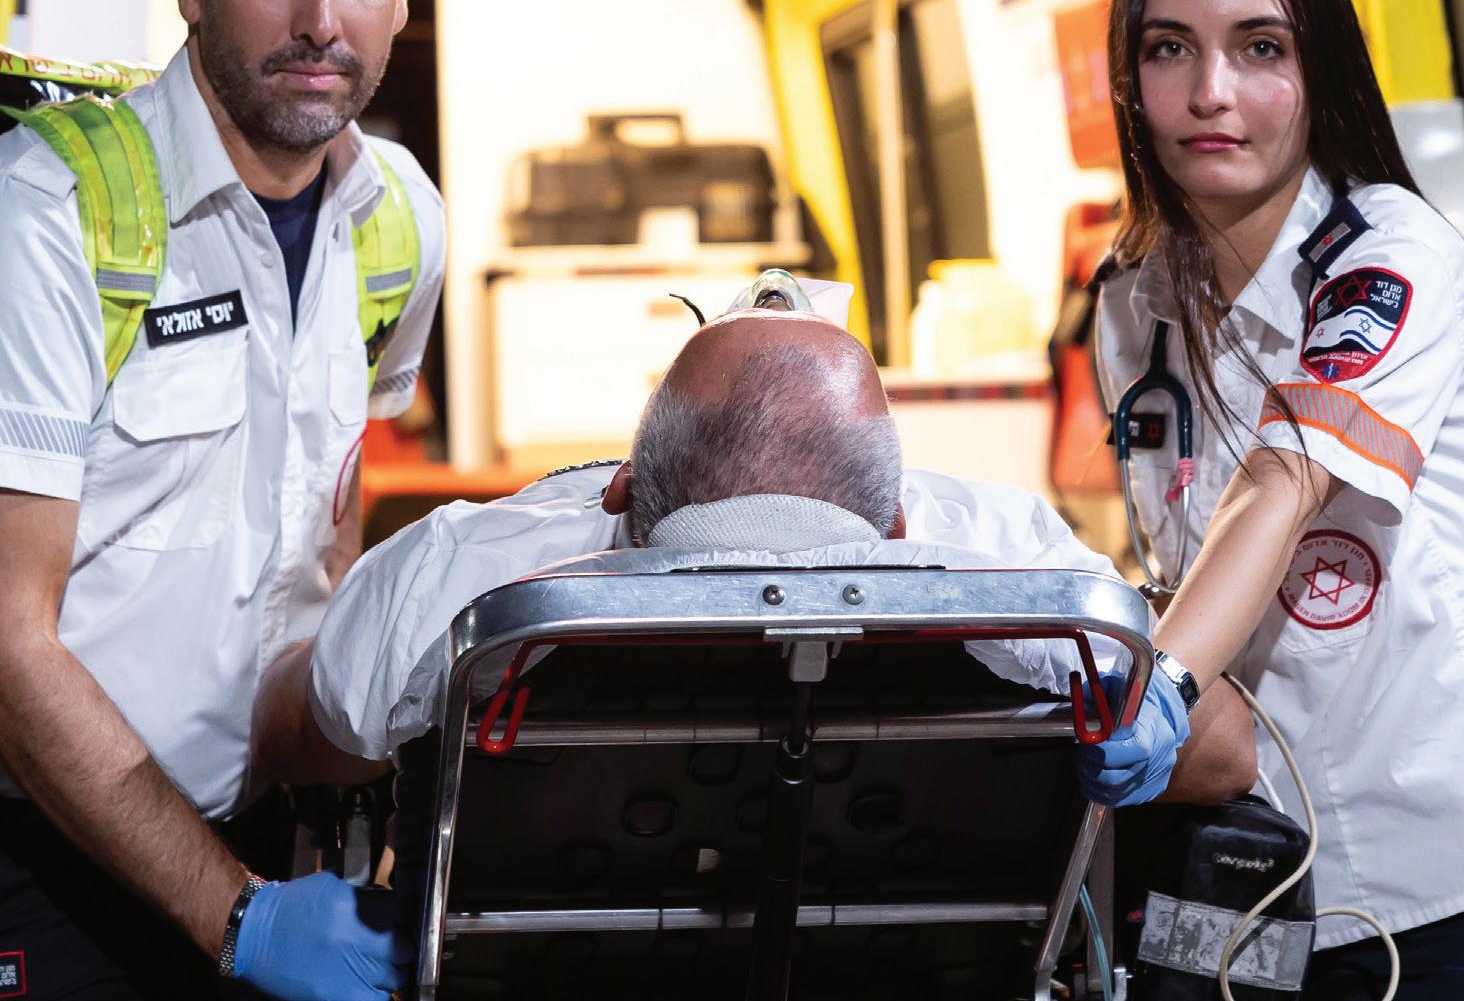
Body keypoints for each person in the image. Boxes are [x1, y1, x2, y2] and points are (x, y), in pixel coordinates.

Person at [0, 0, 445, 1001]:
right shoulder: (50, 215)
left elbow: (327, 511)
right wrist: (237, 914)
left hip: (260, 848)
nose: (321, 19)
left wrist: (321, 820)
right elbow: (9, 642)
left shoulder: (399, 221)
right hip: (45, 866)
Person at [254, 308, 1257, 798]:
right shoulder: (1009, 562)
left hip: (545, 993)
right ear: (896, 521)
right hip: (915, 985)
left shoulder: (473, 574)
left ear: (622, 491)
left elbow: (306, 731)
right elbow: (1221, 751)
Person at [1080, 0, 1464, 1001]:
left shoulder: (1388, 251)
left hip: (1427, 879)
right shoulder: (1132, 302)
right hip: (1247, 870)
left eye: (1260, 47)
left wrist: (1158, 685)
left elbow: (1280, 482)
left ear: (1320, 67)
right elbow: (1180, 551)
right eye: (1169, 49)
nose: (1211, 92)